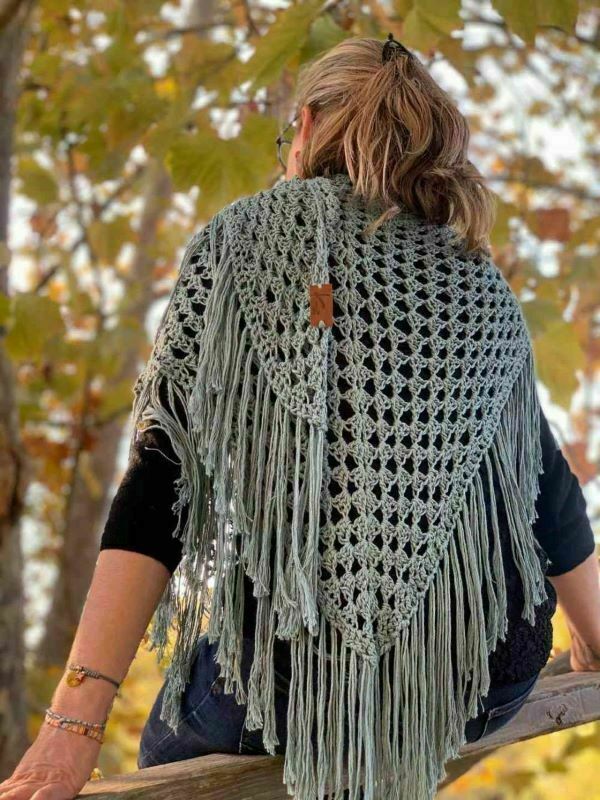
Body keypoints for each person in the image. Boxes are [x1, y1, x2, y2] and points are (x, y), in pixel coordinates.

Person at [2, 33, 599, 800]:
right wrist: (591, 632)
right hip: (479, 675)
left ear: (309, 125)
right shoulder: (477, 282)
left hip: (292, 683)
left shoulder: (240, 243)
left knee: (169, 747)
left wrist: (72, 723)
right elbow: (545, 487)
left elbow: (161, 485)